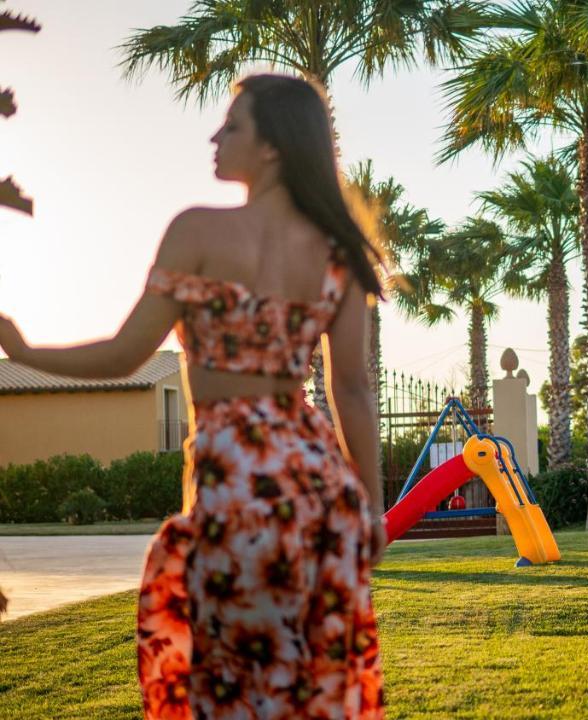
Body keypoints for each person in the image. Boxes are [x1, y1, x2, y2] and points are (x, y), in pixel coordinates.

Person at [0, 74, 387, 719]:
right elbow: (352, 389)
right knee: (305, 685)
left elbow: (126, 353)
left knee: (230, 682)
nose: (214, 135)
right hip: (318, 489)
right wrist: (372, 511)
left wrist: (25, 352)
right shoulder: (337, 252)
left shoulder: (197, 231)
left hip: (236, 479)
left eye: (232, 124)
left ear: (271, 147)